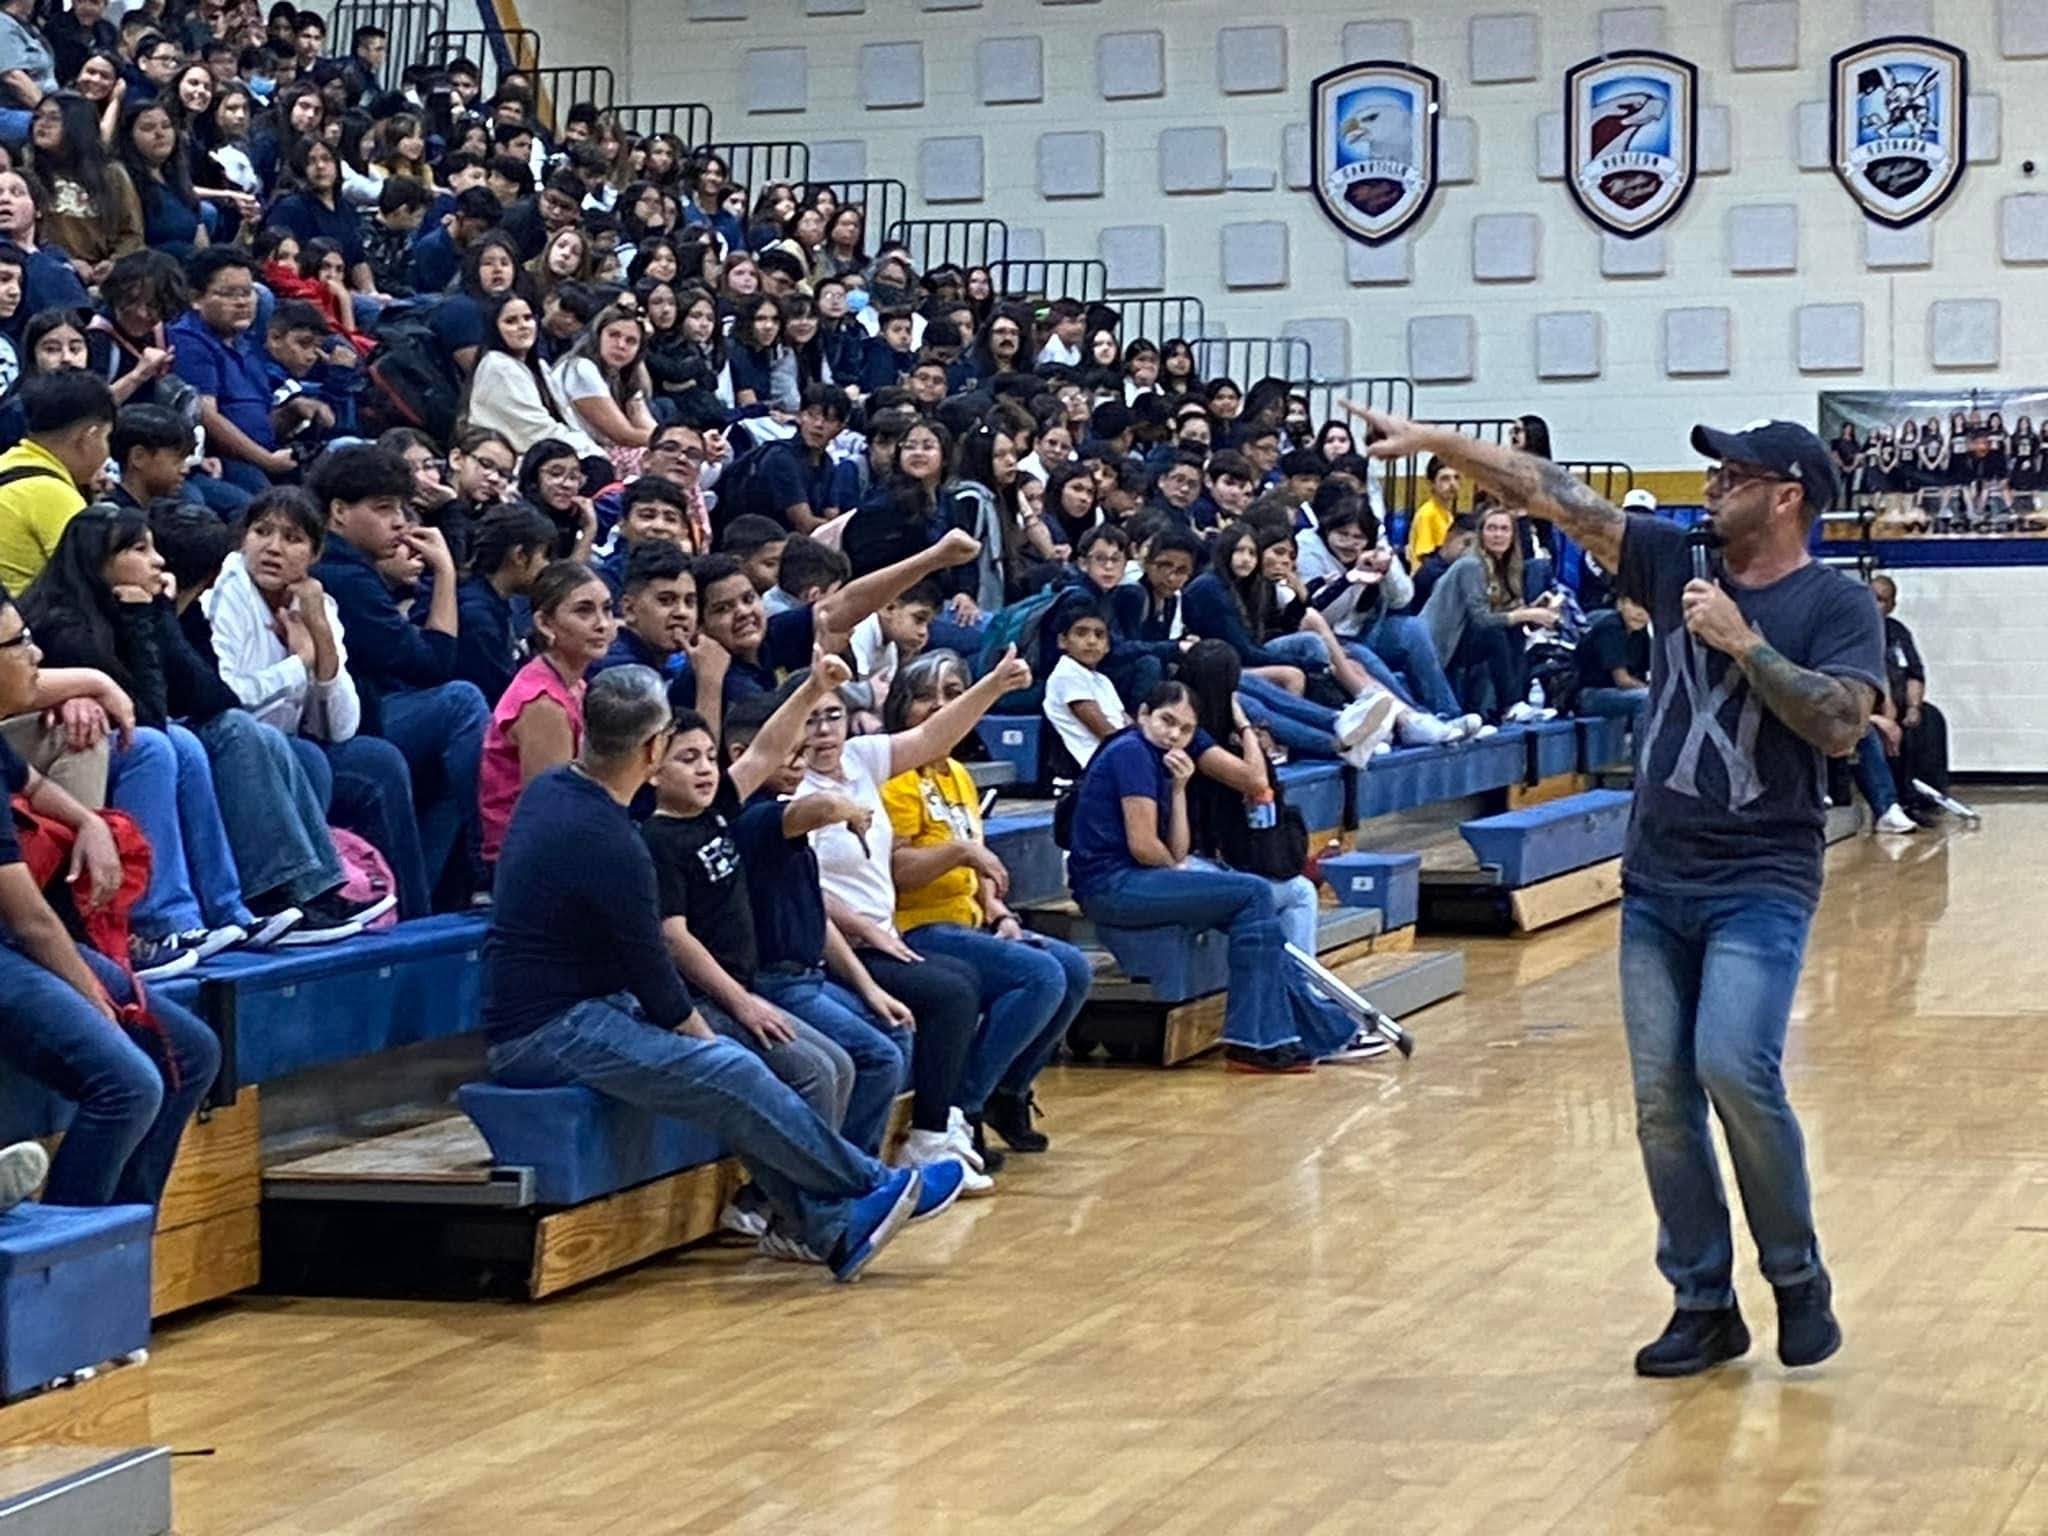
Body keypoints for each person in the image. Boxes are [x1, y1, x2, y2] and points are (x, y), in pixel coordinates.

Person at [1359, 405, 1873, 1377]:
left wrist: (1741, 644)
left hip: (1761, 877)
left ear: (1785, 496)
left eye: (1730, 473)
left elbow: (1840, 725)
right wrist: (1436, 444)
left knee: (1733, 1066)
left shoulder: (1833, 605)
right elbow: (1546, 493)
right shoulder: (1664, 560)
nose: (1710, 485)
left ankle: (1796, 1279)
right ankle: (1701, 1301)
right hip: (1658, 876)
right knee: (1657, 1100)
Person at [481, 664, 965, 1282]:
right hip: (546, 1030)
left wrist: (813, 687)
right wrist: (711, 1040)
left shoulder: (555, 792)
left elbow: (760, 755)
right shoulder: (612, 841)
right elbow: (655, 974)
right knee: (731, 1069)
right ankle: (872, 1182)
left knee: (747, 1069)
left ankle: (834, 1228)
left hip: (585, 1006)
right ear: (654, 752)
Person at [0, 577, 224, 1206]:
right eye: (19, 644)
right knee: (129, 1080)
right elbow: (33, 924)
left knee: (192, 1052)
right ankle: (74, 1260)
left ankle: (128, 1241)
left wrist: (89, 821)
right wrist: (93, 998)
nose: (36, 656)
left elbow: (32, 783)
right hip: (14, 942)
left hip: (15, 942)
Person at [1065, 681, 1354, 1073]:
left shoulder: (1163, 761)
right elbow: (1143, 845)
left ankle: (1298, 1034)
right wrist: (1181, 878)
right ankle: (1259, 1040)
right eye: (1166, 721)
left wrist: (1181, 789)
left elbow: (1178, 850)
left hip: (1137, 880)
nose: (1173, 734)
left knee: (1258, 919)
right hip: (1111, 885)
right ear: (1143, 714)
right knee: (1252, 893)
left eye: (1185, 730)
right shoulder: (1131, 751)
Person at [880, 650, 1094, 1153]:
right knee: (1039, 976)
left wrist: (998, 912)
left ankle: (1009, 1091)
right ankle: (963, 1107)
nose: (938, 706)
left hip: (969, 921)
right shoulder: (895, 774)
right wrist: (958, 850)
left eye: (953, 694)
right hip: (914, 926)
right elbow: (896, 872)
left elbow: (976, 866)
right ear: (900, 707)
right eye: (923, 697)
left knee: (1074, 969)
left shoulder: (956, 773)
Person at [203, 487, 431, 918]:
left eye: (291, 538)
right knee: (307, 757)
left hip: (288, 745)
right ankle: (303, 896)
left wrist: (320, 636)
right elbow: (229, 700)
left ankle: (406, 915)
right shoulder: (222, 595)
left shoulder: (317, 603)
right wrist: (299, 664)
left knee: (375, 758)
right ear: (243, 539)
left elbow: (340, 726)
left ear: (314, 553)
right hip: (234, 746)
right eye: (261, 532)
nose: (272, 547)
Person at [309, 443, 488, 909]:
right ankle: (487, 861)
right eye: (383, 508)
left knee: (453, 763)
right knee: (462, 703)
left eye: (403, 508)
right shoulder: (344, 575)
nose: (400, 523)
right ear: (339, 512)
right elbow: (433, 664)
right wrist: (445, 573)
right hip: (337, 730)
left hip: (361, 716)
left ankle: (430, 898)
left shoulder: (353, 569)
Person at [477, 560, 616, 866]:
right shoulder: (544, 704)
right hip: (525, 866)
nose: (602, 623)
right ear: (545, 623)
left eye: (607, 609)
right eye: (584, 611)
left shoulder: (575, 682)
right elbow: (552, 815)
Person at [0, 368, 107, 593]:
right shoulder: (52, 494)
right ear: (89, 437)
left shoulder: (7, 462)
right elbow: (95, 588)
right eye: (107, 438)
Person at [453, 502, 557, 706]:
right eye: (544, 555)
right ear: (519, 555)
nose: (548, 566)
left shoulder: (496, 603)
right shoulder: (477, 615)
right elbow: (501, 699)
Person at [1577, 596, 1652, 721]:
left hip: (1617, 692)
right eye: (1635, 605)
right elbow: (1622, 680)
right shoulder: (1611, 627)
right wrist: (1653, 689)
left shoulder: (1640, 631)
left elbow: (1651, 671)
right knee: (1648, 699)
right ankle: (1646, 741)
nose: (1640, 613)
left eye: (1648, 608)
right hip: (1589, 694)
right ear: (1620, 605)